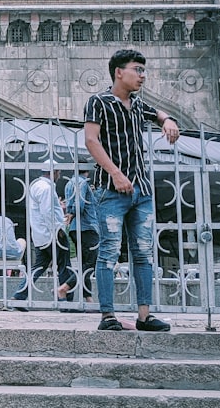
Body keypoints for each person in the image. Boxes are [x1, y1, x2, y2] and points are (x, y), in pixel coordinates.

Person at [85, 49, 180, 332]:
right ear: (119, 72)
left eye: (143, 70)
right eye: (137, 69)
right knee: (109, 253)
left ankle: (144, 315)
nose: (142, 75)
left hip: (142, 190)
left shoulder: (137, 105)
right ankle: (108, 316)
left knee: (143, 253)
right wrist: (116, 174)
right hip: (111, 189)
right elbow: (91, 141)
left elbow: (157, 112)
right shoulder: (98, 102)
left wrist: (167, 120)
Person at [12, 162, 76, 306]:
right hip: (52, 234)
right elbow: (48, 212)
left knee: (38, 267)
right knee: (64, 266)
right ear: (55, 172)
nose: (59, 175)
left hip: (40, 235)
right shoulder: (46, 188)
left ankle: (19, 297)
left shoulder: (36, 186)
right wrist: (57, 229)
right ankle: (67, 302)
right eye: (58, 172)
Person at [65, 163, 99, 302]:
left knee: (85, 263)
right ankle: (65, 287)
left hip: (75, 229)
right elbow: (80, 205)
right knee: (91, 263)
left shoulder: (69, 183)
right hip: (87, 227)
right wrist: (73, 213)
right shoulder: (82, 183)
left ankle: (88, 299)